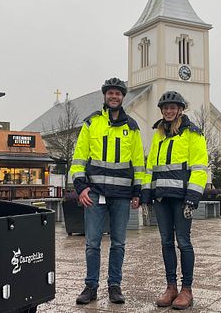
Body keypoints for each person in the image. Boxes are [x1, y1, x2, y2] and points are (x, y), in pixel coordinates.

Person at [69, 77, 146, 305]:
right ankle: (90, 287)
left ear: (123, 97)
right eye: (110, 93)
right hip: (94, 195)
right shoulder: (91, 123)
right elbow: (79, 159)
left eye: (118, 93)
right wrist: (81, 188)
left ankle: (115, 286)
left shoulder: (132, 127)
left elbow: (138, 163)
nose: (114, 96)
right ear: (105, 96)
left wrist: (137, 191)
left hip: (121, 196)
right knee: (92, 243)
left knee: (119, 243)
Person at [141, 90, 208, 310]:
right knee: (166, 242)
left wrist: (192, 197)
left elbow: (199, 169)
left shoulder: (193, 134)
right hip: (161, 199)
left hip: (181, 200)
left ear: (180, 110)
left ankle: (186, 289)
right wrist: (146, 194)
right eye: (165, 108)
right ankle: (171, 287)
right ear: (161, 111)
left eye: (173, 107)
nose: (169, 111)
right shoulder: (158, 135)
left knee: (184, 242)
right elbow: (151, 168)